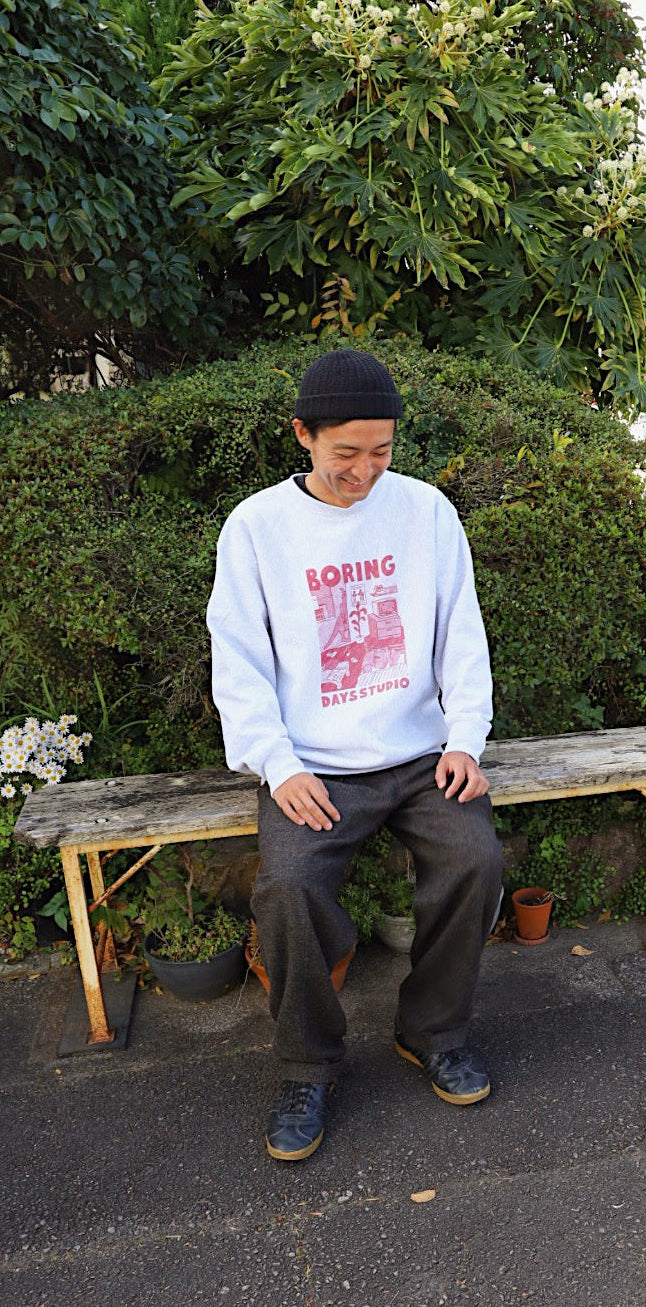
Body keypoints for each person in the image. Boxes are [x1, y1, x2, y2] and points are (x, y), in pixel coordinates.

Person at [207, 349, 504, 1162]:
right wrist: (277, 762)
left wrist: (464, 739)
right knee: (291, 887)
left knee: (474, 857)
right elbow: (237, 659)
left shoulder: (427, 512)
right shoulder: (257, 527)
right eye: (346, 453)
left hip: (419, 755)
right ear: (303, 435)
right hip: (313, 762)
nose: (365, 471)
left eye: (381, 451)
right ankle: (307, 1065)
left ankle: (432, 1031)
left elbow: (460, 633)